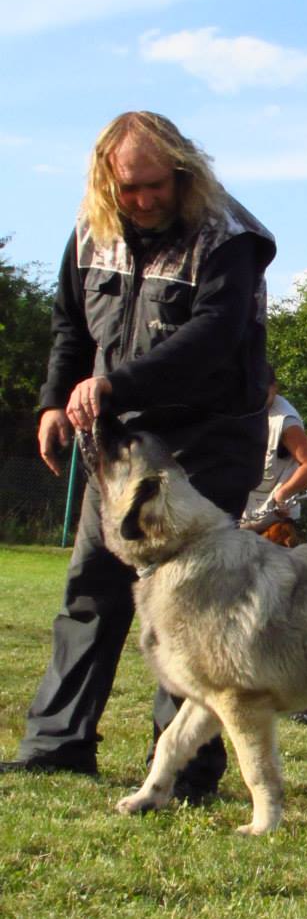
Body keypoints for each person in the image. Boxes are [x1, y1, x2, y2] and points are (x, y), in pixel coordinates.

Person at [0, 111, 276, 801]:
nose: (146, 200)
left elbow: (213, 339)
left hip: (205, 442)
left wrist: (113, 385)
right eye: (130, 188)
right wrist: (52, 401)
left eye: (157, 185)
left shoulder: (229, 238)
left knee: (196, 608)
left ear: (184, 172)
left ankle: (181, 774)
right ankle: (56, 744)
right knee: (91, 590)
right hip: (119, 448)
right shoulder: (91, 230)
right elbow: (71, 324)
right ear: (106, 180)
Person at [240, 366, 307, 546]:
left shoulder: (285, 421)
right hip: (239, 523)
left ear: (274, 388)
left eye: (262, 391)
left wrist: (284, 493)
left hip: (274, 527)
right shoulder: (240, 410)